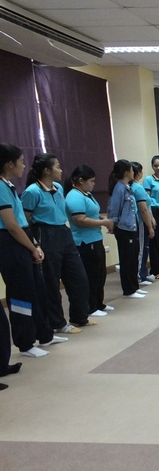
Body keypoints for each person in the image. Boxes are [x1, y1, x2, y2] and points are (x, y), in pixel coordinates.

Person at [0, 143, 67, 358]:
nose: (24, 165)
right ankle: (25, 342)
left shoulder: (8, 184)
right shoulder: (0, 187)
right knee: (21, 294)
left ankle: (44, 334)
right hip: (10, 243)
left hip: (24, 238)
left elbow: (22, 222)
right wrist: (31, 247)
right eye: (21, 161)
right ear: (9, 164)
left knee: (38, 290)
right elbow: (12, 225)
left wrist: (35, 245)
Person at [21, 153, 92, 332]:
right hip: (45, 234)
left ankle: (79, 317)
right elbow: (25, 221)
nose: (61, 170)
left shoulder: (59, 188)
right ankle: (57, 323)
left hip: (63, 232)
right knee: (51, 282)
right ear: (47, 170)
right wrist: (35, 244)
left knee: (79, 277)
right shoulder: (32, 192)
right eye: (57, 167)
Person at [64, 165, 115, 318]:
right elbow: (80, 220)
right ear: (81, 180)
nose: (94, 184)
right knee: (91, 276)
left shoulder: (86, 194)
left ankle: (99, 303)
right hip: (84, 242)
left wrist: (103, 220)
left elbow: (92, 213)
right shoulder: (74, 196)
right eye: (91, 181)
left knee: (100, 274)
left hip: (96, 239)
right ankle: (90, 307)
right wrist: (104, 222)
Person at [108, 160, 145, 299]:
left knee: (134, 258)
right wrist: (112, 224)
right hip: (124, 228)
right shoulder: (119, 188)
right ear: (126, 172)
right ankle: (129, 290)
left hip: (131, 226)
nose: (133, 172)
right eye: (131, 170)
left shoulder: (127, 187)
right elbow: (114, 208)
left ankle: (135, 286)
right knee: (127, 260)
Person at [130, 162, 155, 286]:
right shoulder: (136, 187)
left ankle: (143, 272)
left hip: (143, 220)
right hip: (140, 221)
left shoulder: (136, 186)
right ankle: (140, 276)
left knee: (144, 248)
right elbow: (143, 209)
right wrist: (150, 226)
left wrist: (152, 218)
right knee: (141, 249)